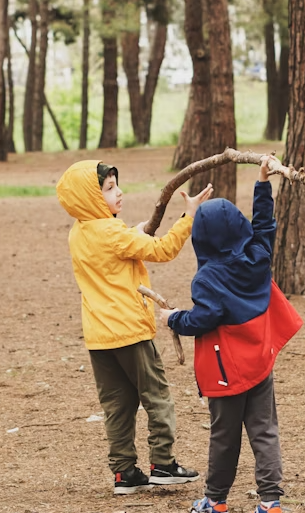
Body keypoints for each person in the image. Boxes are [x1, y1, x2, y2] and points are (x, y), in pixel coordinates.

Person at [56, 160, 213, 495]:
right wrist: (189, 218)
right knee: (157, 396)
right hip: (129, 332)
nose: (119, 192)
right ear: (89, 197)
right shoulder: (112, 233)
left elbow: (116, 247)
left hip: (99, 337)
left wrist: (133, 233)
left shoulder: (80, 232)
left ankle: (124, 472)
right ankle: (163, 464)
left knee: (117, 405)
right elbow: (164, 249)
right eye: (109, 188)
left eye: (116, 185)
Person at [159, 157, 303, 513]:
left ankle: (215, 500)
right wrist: (262, 183)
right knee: (264, 431)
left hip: (227, 372)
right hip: (260, 362)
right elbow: (264, 227)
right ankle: (271, 502)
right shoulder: (257, 256)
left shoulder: (207, 279)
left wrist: (173, 318)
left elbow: (203, 320)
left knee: (224, 437)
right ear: (239, 228)